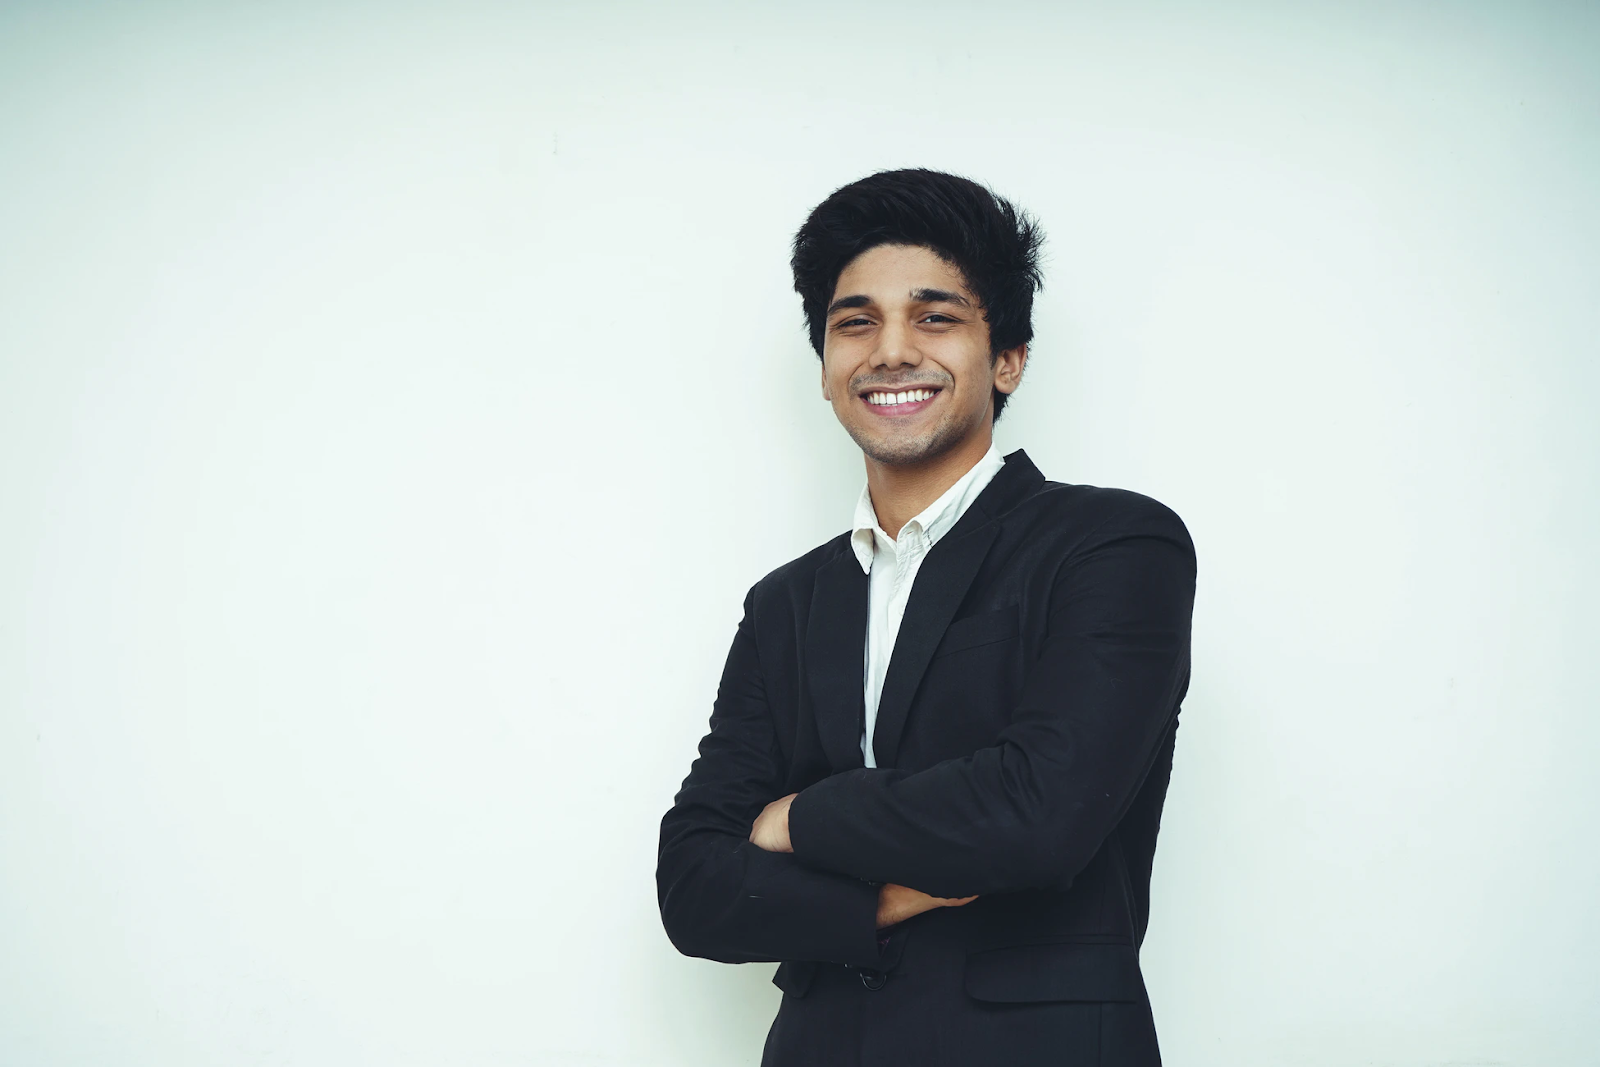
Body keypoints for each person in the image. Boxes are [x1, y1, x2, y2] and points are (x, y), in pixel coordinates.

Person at [655, 168, 1196, 1067]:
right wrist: (877, 901)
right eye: (855, 322)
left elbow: (1039, 813)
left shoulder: (1111, 546)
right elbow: (693, 885)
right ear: (825, 367)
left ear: (1008, 357)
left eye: (935, 317)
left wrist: (798, 819)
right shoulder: (785, 603)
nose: (891, 350)